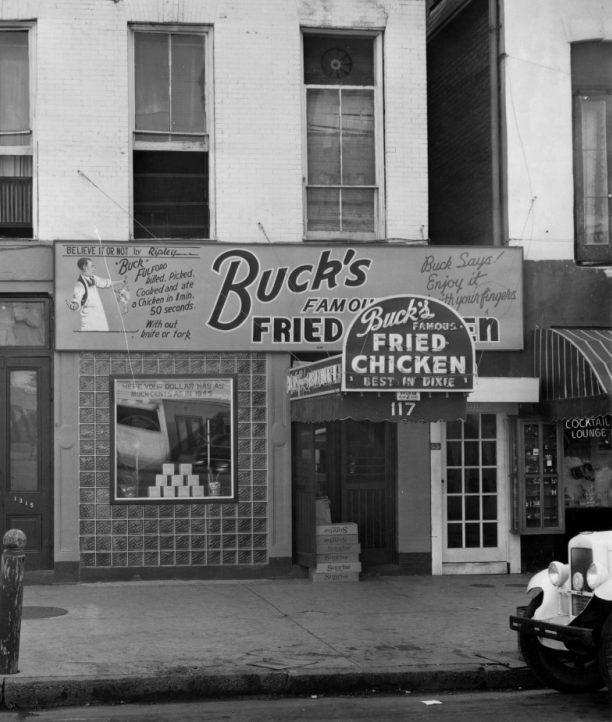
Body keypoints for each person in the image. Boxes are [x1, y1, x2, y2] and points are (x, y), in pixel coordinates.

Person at [66, 258, 125, 332]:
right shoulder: (80, 284)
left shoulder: (93, 278)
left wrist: (120, 281)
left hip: (100, 318)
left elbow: (105, 283)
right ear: (85, 267)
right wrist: (74, 305)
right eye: (92, 266)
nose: (94, 268)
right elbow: (77, 301)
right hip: (90, 321)